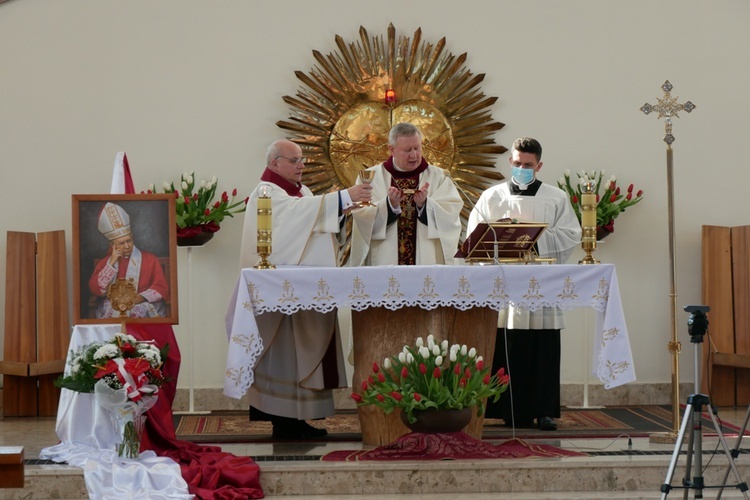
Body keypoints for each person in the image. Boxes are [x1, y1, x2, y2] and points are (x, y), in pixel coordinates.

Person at [238, 139, 372, 440]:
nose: (301, 165)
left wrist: (342, 206)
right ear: (275, 164)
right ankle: (284, 422)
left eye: (303, 160)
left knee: (303, 354)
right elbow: (297, 217)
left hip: (305, 290)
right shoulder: (266, 193)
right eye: (294, 160)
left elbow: (313, 220)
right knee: (285, 355)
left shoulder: (303, 193)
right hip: (281, 295)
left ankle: (299, 419)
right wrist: (342, 197)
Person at [466, 137, 581, 431]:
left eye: (528, 165)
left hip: (541, 283)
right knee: (509, 345)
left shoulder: (555, 198)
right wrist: (501, 241)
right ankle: (507, 409)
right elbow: (473, 239)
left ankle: (543, 410)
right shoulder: (492, 197)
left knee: (542, 346)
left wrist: (533, 239)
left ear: (539, 165)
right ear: (510, 162)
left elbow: (570, 235)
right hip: (504, 284)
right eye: (517, 164)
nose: (522, 169)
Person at [349, 122, 463, 266]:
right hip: (386, 261)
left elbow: (451, 216)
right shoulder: (371, 178)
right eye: (407, 150)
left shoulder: (439, 177)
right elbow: (361, 218)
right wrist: (389, 205)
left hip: (426, 263)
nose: (414, 155)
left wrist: (425, 205)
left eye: (417, 148)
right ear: (392, 149)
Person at [88, 202, 169, 318]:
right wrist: (111, 263)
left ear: (132, 237)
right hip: (114, 304)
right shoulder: (106, 262)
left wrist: (142, 297)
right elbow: (95, 290)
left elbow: (161, 287)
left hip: (142, 302)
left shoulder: (150, 259)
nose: (127, 246)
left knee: (137, 310)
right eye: (121, 243)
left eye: (129, 241)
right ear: (112, 244)